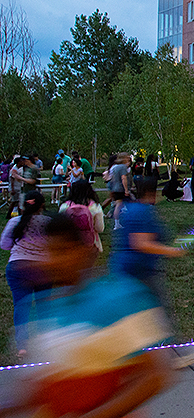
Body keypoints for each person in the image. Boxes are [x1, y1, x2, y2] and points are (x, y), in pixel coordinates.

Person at [1, 212, 176, 418]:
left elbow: (155, 375)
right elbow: (43, 389)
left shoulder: (118, 299)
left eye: (62, 251)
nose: (53, 261)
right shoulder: (43, 310)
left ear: (83, 251)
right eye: (49, 252)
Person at [109, 177, 186, 307]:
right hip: (137, 272)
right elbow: (141, 243)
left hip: (123, 269)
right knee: (154, 308)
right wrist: (172, 251)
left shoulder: (129, 208)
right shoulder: (143, 211)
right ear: (151, 193)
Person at [1, 191, 53, 359]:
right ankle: (45, 343)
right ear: (42, 205)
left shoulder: (15, 221)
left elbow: (4, 244)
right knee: (43, 306)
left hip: (18, 267)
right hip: (43, 268)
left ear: (23, 206)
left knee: (21, 306)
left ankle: (22, 347)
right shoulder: (49, 222)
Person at [59, 179, 105, 253]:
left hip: (70, 242)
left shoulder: (65, 207)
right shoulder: (95, 207)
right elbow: (100, 228)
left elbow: (60, 227)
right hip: (90, 243)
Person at [108, 153, 132, 229]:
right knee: (120, 205)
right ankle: (119, 223)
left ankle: (117, 223)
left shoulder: (115, 167)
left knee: (119, 204)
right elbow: (123, 178)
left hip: (115, 187)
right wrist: (126, 190)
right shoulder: (123, 167)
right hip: (120, 188)